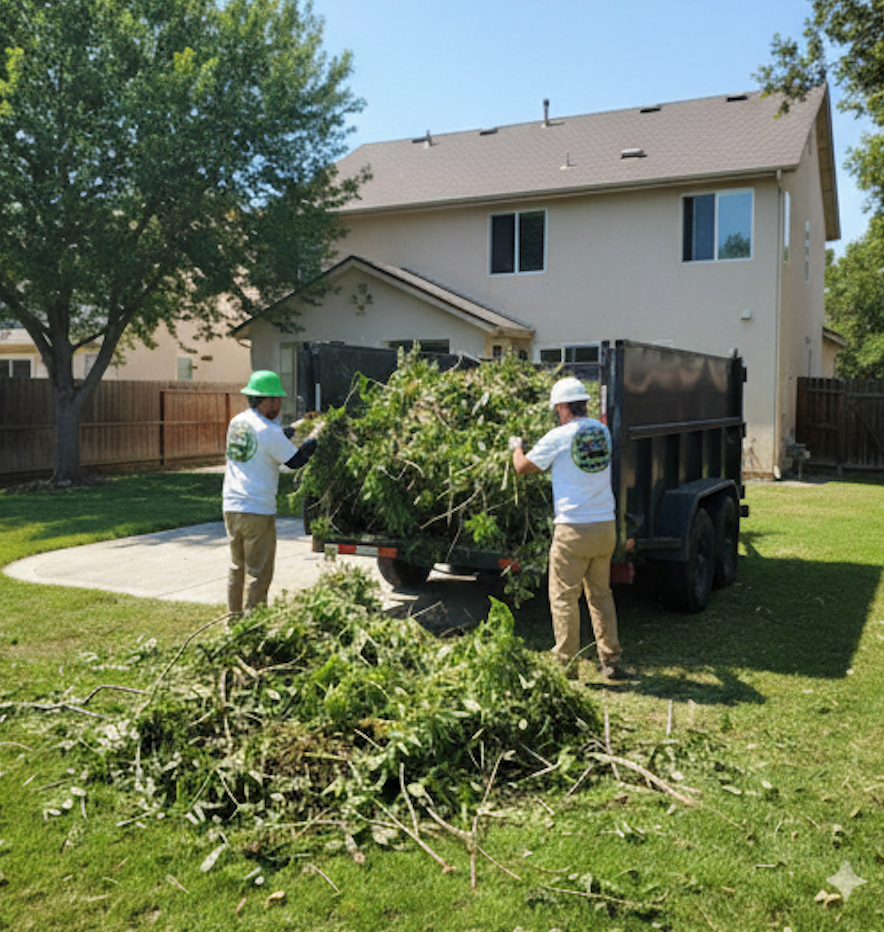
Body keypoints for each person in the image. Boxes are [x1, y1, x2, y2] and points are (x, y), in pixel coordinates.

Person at [509, 376, 624, 680]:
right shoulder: (602, 432)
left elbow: (523, 468)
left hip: (574, 529)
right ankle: (610, 660)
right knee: (601, 595)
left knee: (563, 597)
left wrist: (516, 447)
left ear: (562, 406)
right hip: (604, 526)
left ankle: (566, 664)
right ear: (583, 402)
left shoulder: (559, 436)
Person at [223, 369, 318, 616]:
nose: (279, 403)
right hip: (257, 510)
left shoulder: (238, 422)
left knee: (237, 567)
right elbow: (295, 461)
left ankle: (233, 619)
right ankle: (254, 623)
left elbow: (269, 438)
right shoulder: (269, 431)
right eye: (276, 399)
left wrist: (294, 429)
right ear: (265, 399)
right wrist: (314, 439)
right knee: (259, 572)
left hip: (232, 507)